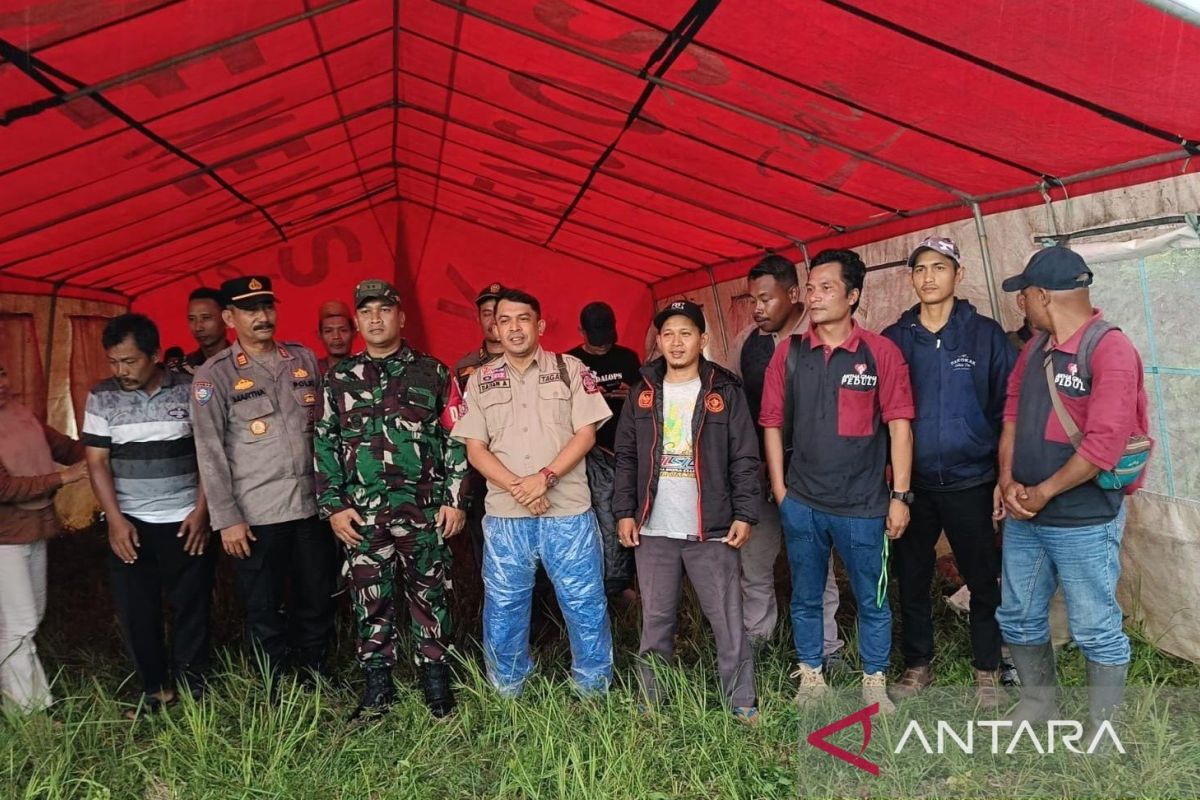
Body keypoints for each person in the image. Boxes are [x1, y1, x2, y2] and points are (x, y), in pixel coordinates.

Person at [996, 247, 1149, 733]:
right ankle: (1040, 704)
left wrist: (1043, 491)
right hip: (1027, 516)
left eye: (1024, 295)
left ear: (1043, 296)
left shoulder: (1110, 349)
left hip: (1084, 520)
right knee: (1017, 614)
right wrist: (1007, 480)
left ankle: (1104, 725)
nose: (1022, 304)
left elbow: (1105, 445)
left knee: (1095, 628)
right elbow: (1012, 416)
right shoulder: (1035, 350)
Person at [761, 248, 915, 714]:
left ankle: (874, 680)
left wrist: (900, 496)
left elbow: (900, 426)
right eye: (811, 287)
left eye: (827, 287)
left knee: (873, 598)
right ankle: (811, 675)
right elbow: (770, 423)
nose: (815, 296)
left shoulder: (880, 353)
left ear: (853, 295)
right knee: (806, 594)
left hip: (865, 505)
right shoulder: (788, 354)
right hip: (804, 501)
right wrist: (782, 490)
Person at [314, 279, 468, 721]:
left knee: (430, 594)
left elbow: (456, 437)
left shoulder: (434, 372)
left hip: (423, 509)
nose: (376, 319)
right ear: (358, 322)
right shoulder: (339, 379)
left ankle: (436, 680)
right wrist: (334, 506)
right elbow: (324, 443)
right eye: (367, 312)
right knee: (369, 597)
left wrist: (455, 499)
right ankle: (377, 683)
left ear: (401, 317)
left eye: (385, 310)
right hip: (362, 514)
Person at [451, 288, 614, 696]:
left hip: (567, 511)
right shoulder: (481, 381)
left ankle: (593, 687)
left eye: (522, 319)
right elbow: (475, 448)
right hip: (508, 516)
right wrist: (520, 487)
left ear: (539, 325)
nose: (513, 328)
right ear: (495, 327)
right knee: (505, 607)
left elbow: (587, 433)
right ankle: (508, 689)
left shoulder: (570, 370)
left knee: (584, 603)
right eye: (504, 320)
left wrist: (546, 477)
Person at [612, 300, 760, 723]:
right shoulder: (641, 392)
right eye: (668, 334)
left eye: (686, 333)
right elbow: (625, 456)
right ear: (658, 341)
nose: (676, 342)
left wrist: (745, 514)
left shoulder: (724, 390)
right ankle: (650, 700)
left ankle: (742, 701)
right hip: (654, 527)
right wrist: (625, 511)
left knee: (727, 621)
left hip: (710, 527)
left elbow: (745, 458)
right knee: (655, 619)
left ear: (703, 339)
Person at [881, 237, 1014, 707]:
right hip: (911, 485)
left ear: (958, 274)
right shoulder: (894, 339)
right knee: (911, 576)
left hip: (971, 479)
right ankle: (918, 664)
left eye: (939, 267)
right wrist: (891, 483)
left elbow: (1007, 412)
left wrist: (1002, 475)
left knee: (982, 577)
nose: (929, 277)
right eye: (920, 269)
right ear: (911, 277)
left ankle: (987, 669)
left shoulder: (986, 335)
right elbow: (881, 415)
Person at [191, 275, 336, 685]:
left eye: (267, 307)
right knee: (264, 605)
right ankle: (276, 685)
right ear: (229, 317)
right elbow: (209, 451)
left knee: (315, 596)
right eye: (250, 309)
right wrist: (226, 518)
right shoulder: (213, 375)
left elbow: (324, 432)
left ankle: (315, 674)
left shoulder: (302, 360)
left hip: (310, 505)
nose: (262, 316)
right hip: (256, 514)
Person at [82, 314, 215, 716]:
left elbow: (209, 454)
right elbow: (97, 463)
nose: (120, 371)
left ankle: (193, 689)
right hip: (132, 524)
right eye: (113, 362)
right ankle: (156, 690)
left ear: (155, 355)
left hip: (185, 520)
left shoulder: (190, 390)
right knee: (138, 610)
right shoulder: (100, 397)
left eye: (129, 361)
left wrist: (203, 511)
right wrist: (115, 520)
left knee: (192, 606)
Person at [725, 254, 844, 662]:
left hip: (812, 478)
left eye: (766, 299)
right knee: (754, 565)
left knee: (815, 569)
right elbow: (735, 411)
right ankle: (758, 644)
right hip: (759, 476)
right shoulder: (745, 344)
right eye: (752, 301)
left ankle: (826, 650)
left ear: (794, 294)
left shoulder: (822, 338)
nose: (758, 309)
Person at [0, 362, 87, 713]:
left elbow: (64, 447)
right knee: (19, 625)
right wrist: (64, 478)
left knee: (29, 618)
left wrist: (106, 449)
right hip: (5, 537)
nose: (0, 384)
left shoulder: (20, 413)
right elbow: (5, 487)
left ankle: (15, 698)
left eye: (2, 374)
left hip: (33, 527)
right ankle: (30, 711)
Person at [568, 301, 642, 599]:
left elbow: (647, 397)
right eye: (595, 339)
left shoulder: (627, 357)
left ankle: (631, 579)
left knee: (632, 513)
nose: (602, 347)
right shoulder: (571, 362)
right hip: (591, 453)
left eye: (606, 338)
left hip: (626, 449)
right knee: (604, 519)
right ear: (581, 331)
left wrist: (632, 394)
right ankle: (611, 583)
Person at [453, 282, 506, 390]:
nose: (494, 320)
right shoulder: (463, 367)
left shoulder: (530, 361)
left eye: (500, 313)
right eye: (487, 314)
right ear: (479, 319)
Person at [181, 287, 231, 373]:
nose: (198, 327)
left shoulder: (248, 362)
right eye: (192, 319)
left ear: (227, 319)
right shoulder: (182, 370)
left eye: (206, 318)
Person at [316, 300, 354, 375]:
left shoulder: (368, 369)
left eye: (343, 330)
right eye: (328, 331)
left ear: (354, 332)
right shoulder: (313, 371)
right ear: (320, 335)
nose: (336, 337)